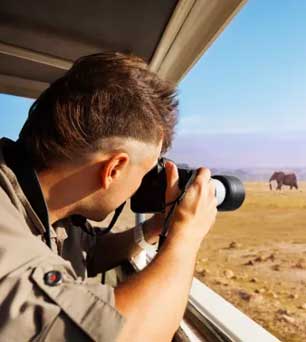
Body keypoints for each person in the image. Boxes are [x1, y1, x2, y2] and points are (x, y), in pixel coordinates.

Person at [0, 52, 217, 341]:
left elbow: (85, 250)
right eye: (145, 172)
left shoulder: (40, 206)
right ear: (113, 169)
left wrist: (155, 227)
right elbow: (126, 334)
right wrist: (186, 235)